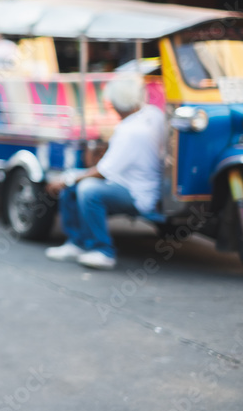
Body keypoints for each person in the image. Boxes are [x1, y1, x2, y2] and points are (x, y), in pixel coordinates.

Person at [44, 75, 165, 270]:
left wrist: (66, 180)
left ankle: (103, 250)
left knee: (86, 189)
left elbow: (103, 172)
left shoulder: (129, 131)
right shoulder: (153, 114)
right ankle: (77, 243)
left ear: (116, 105)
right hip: (138, 184)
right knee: (75, 180)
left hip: (136, 193)